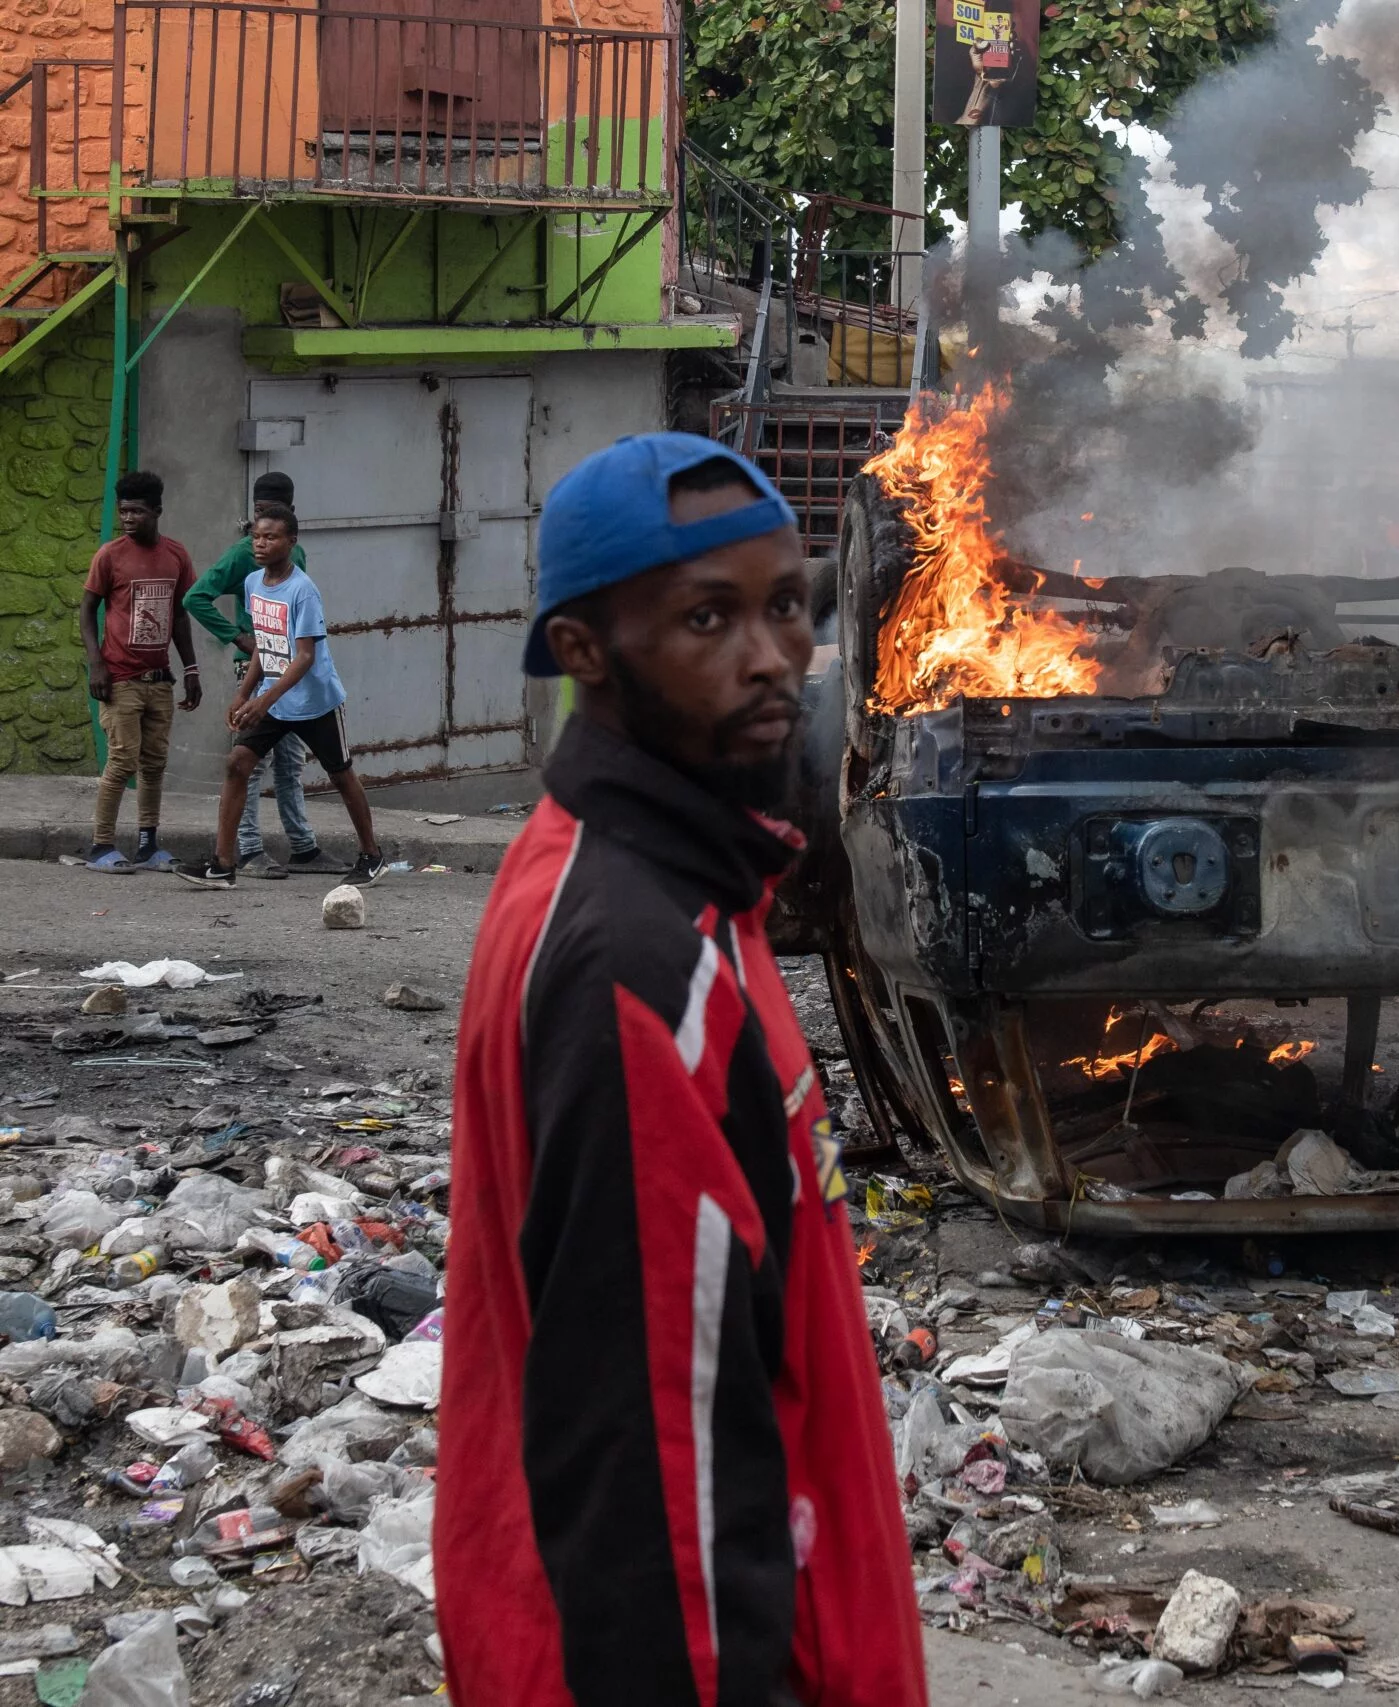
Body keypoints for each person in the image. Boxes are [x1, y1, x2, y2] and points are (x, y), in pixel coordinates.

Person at [437, 435, 928, 1707]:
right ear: (585, 649)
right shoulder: (640, 963)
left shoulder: (675, 884)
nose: (771, 656)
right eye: (708, 617)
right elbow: (654, 1456)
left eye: (784, 605)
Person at [176, 507, 385, 890]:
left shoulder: (303, 590)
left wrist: (263, 700)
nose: (260, 543)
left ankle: (372, 855)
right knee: (238, 763)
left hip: (315, 702)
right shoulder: (254, 582)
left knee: (340, 774)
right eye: (256, 535)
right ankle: (223, 864)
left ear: (291, 542)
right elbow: (265, 646)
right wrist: (243, 694)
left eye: (270, 537)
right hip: (273, 698)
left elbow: (304, 656)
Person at [182, 471, 329, 877]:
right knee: (249, 761)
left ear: (289, 519)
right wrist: (239, 638)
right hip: (257, 667)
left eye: (270, 518)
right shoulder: (242, 554)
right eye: (257, 518)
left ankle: (303, 848)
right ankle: (247, 850)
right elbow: (195, 597)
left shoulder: (295, 557)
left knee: (290, 763)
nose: (260, 534)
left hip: (290, 669)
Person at [80, 471, 200, 872]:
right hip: (120, 679)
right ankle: (101, 846)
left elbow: (180, 614)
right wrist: (97, 665)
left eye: (137, 511)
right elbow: (85, 612)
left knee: (154, 763)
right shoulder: (109, 555)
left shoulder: (176, 555)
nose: (129, 518)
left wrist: (192, 668)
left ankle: (148, 846)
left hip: (158, 678)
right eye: (124, 511)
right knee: (122, 761)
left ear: (157, 512)